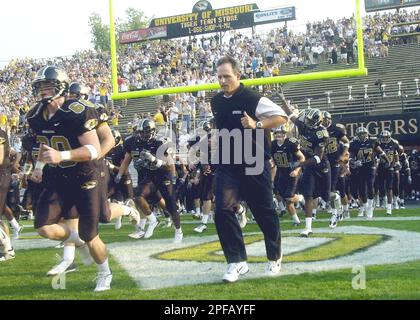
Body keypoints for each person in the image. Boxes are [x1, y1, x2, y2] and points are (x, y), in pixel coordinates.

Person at [27, 66, 112, 292]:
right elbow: (44, 145)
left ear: (61, 87)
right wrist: (38, 166)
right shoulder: (35, 115)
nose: (43, 91)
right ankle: (77, 238)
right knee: (43, 226)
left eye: (48, 86)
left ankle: (105, 273)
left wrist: (62, 155)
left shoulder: (77, 110)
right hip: (58, 176)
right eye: (40, 86)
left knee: (90, 234)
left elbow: (94, 149)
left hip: (85, 175)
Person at [211, 56, 287, 283]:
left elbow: (281, 117)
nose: (223, 81)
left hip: (255, 162)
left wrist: (257, 124)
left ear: (238, 75)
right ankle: (237, 261)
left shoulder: (252, 97)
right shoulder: (216, 101)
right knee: (221, 210)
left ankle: (275, 256)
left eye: (227, 76)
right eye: (219, 77)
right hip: (228, 163)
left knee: (264, 213)